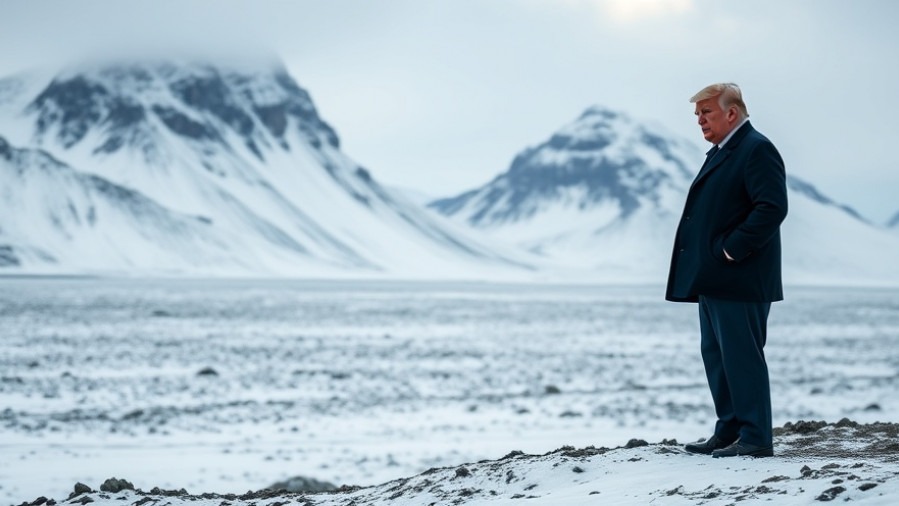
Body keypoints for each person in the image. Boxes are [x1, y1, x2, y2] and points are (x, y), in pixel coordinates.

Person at [666, 83, 788, 458]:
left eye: (707, 112)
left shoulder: (756, 148)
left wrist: (731, 250)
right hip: (714, 277)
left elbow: (772, 207)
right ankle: (730, 429)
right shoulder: (724, 151)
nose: (700, 120)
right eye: (697, 114)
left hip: (740, 277)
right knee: (717, 356)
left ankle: (755, 438)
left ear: (732, 113)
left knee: (741, 357)